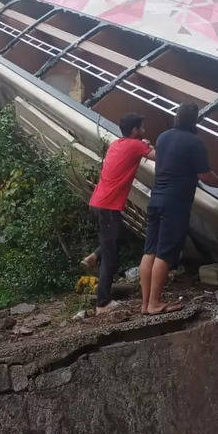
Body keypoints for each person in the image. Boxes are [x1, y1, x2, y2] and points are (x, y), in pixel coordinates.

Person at [139, 103, 218, 314]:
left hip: (156, 199)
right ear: (194, 120)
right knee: (165, 252)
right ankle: (155, 302)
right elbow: (204, 175)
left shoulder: (163, 137)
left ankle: (145, 304)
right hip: (175, 202)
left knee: (150, 251)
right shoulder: (194, 142)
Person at [82, 113, 154, 311]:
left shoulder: (117, 144)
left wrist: (143, 144)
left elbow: (136, 151)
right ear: (134, 130)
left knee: (119, 235)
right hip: (108, 207)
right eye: (142, 128)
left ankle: (94, 256)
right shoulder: (136, 145)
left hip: (98, 202)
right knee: (111, 257)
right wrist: (150, 145)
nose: (144, 131)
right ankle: (102, 304)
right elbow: (158, 156)